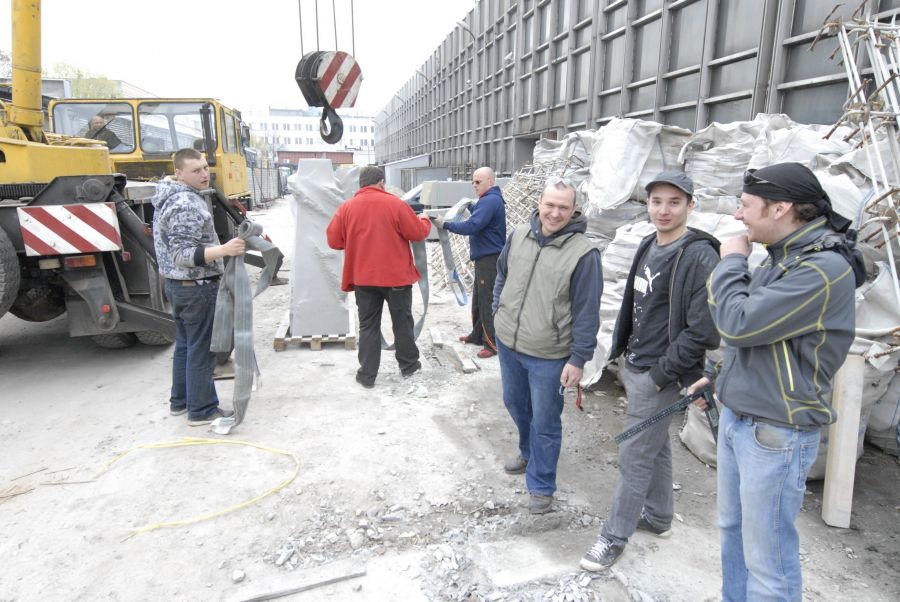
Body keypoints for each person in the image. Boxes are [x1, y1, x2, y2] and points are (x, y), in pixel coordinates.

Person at [688, 162, 865, 601]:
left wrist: (730, 261)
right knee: (733, 532)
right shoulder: (784, 258)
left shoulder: (822, 269)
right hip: (741, 419)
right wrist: (719, 377)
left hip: (776, 433)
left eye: (746, 205)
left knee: (768, 560)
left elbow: (739, 323)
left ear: (781, 207)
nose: (737, 216)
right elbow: (765, 342)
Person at [580, 171, 721, 571]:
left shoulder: (698, 256)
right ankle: (659, 518)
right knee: (653, 445)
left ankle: (613, 535)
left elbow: (703, 328)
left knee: (633, 455)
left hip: (663, 372)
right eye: (656, 201)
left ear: (691, 206)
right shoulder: (647, 243)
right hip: (637, 363)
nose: (663, 210)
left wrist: (662, 374)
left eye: (674, 202)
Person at [492, 176, 603, 514]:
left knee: (546, 421)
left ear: (574, 210)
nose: (555, 213)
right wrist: (499, 310)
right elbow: (502, 275)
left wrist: (579, 358)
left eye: (563, 207)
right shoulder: (519, 236)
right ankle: (527, 452)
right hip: (510, 343)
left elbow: (587, 311)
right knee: (515, 403)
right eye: (550, 205)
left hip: (550, 356)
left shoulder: (584, 254)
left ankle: (541, 485)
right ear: (539, 203)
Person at [152, 148, 245, 426]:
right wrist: (224, 249)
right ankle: (202, 410)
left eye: (205, 168)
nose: (204, 174)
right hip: (195, 287)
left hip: (179, 287)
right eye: (196, 170)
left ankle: (180, 402)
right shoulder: (186, 204)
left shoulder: (170, 197)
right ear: (179, 173)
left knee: (186, 346)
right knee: (201, 350)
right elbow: (183, 255)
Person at [326, 165, 433, 388]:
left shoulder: (347, 208)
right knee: (402, 323)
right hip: (396, 279)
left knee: (368, 325)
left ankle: (367, 375)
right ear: (382, 182)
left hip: (363, 279)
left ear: (361, 185)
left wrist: (357, 239)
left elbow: (334, 241)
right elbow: (416, 233)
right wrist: (424, 220)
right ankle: (409, 367)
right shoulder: (395, 204)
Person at [433, 166, 506, 359]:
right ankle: (477, 335)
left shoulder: (489, 201)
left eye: (478, 181)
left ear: (490, 181)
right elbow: (480, 216)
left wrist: (446, 224)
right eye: (473, 181)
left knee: (487, 300)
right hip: (485, 258)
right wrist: (470, 206)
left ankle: (491, 344)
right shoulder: (488, 200)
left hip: (489, 259)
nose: (474, 185)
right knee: (478, 299)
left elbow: (473, 225)